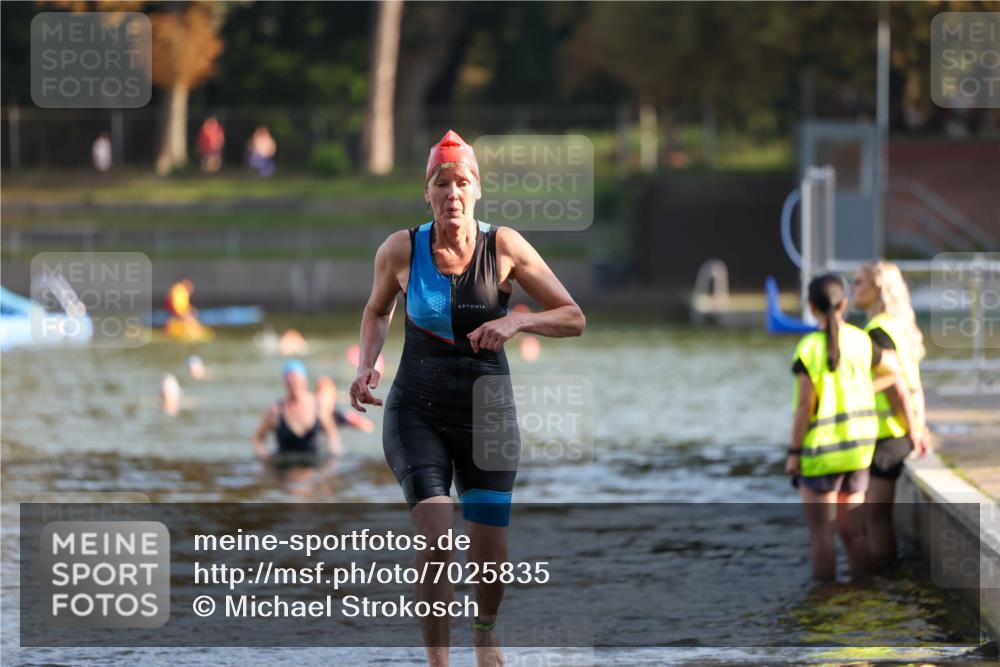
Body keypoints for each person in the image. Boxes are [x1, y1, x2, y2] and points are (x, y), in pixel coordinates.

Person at [349, 130, 585, 667]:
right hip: (417, 411)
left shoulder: (504, 247)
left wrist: (517, 321)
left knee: (490, 560)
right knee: (436, 540)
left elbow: (573, 317)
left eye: (462, 182)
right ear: (426, 193)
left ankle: (485, 632)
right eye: (441, 183)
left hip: (488, 416)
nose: (452, 193)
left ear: (477, 189)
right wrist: (367, 364)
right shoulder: (400, 249)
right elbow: (376, 310)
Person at [786, 274, 919, 581]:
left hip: (821, 453)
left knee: (822, 534)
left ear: (811, 307)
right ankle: (863, 594)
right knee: (854, 532)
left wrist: (793, 453)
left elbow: (804, 407)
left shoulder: (809, 349)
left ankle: (825, 600)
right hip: (858, 451)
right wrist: (863, 389)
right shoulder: (861, 341)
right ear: (844, 304)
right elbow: (895, 373)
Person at [852, 260, 930, 569]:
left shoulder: (877, 331)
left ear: (878, 288)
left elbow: (896, 387)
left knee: (874, 517)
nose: (853, 289)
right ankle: (885, 579)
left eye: (859, 282)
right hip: (899, 430)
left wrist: (913, 429)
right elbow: (915, 384)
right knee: (877, 517)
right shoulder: (897, 326)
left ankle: (880, 579)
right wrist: (919, 426)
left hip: (887, 435)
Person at [252, 360, 342, 468]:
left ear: (305, 380)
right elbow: (256, 439)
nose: (293, 383)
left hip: (314, 468)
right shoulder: (276, 411)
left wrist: (332, 462)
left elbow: (333, 436)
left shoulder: (319, 407)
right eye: (289, 380)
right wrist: (264, 457)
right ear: (284, 382)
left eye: (296, 379)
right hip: (285, 470)